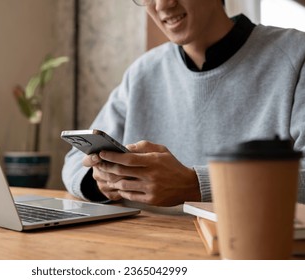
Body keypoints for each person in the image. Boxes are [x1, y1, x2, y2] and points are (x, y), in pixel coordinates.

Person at [62, 0, 305, 207]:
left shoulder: (296, 54)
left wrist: (197, 185)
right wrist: (102, 182)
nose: (162, 5)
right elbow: (75, 161)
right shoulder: (142, 72)